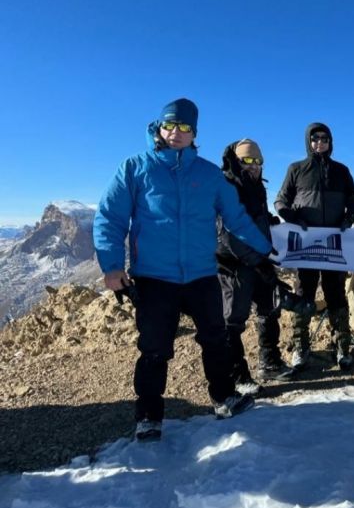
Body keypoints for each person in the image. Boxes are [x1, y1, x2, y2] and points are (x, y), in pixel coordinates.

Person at [93, 98, 274, 441]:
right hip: (154, 276)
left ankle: (224, 398)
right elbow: (110, 218)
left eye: (185, 128)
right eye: (170, 125)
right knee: (155, 347)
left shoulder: (208, 174)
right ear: (159, 127)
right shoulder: (134, 168)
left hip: (202, 274)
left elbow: (235, 218)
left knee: (215, 339)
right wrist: (113, 266)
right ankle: (148, 416)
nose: (176, 133)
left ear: (195, 133)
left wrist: (263, 249)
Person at [274, 122, 354, 371]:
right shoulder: (297, 169)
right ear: (308, 141)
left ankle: (342, 346)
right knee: (303, 296)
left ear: (330, 141)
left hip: (334, 244)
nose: (319, 142)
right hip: (305, 246)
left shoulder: (341, 171)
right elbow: (280, 200)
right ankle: (300, 349)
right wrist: (291, 217)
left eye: (324, 138)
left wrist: (349, 218)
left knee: (336, 295)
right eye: (314, 138)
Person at [216, 139, 294, 389]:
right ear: (236, 162)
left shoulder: (255, 185)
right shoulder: (226, 186)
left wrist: (267, 219)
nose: (253, 166)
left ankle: (269, 363)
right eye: (247, 160)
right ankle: (237, 376)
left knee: (269, 307)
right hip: (232, 262)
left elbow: (252, 217)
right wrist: (257, 263)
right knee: (233, 319)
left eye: (257, 161)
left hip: (257, 258)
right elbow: (227, 233)